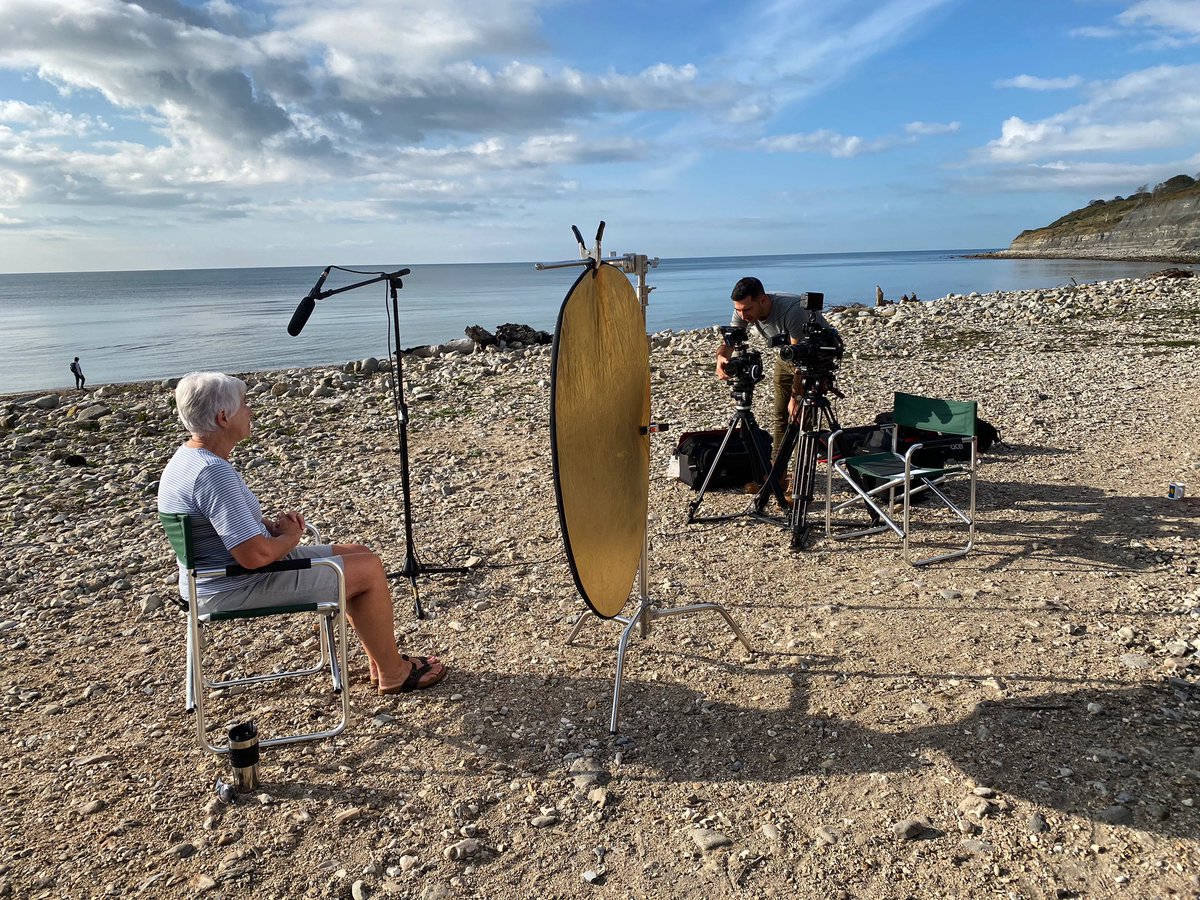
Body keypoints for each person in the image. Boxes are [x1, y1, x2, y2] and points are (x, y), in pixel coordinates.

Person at [157, 372, 446, 694]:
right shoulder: (212, 472)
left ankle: (383, 662)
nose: (251, 411)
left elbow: (218, 528)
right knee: (368, 571)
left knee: (361, 553)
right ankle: (393, 673)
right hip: (234, 584)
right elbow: (256, 556)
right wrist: (290, 538)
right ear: (224, 418)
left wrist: (269, 527)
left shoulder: (189, 458)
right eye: (245, 405)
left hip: (214, 577)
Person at [715, 276, 831, 464]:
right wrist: (721, 357)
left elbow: (800, 362)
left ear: (763, 299)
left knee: (801, 417)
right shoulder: (742, 309)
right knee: (780, 415)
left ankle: (802, 477)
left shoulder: (793, 310)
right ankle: (778, 474)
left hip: (814, 358)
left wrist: (796, 397)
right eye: (738, 310)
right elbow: (730, 341)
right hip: (787, 355)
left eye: (747, 310)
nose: (743, 316)